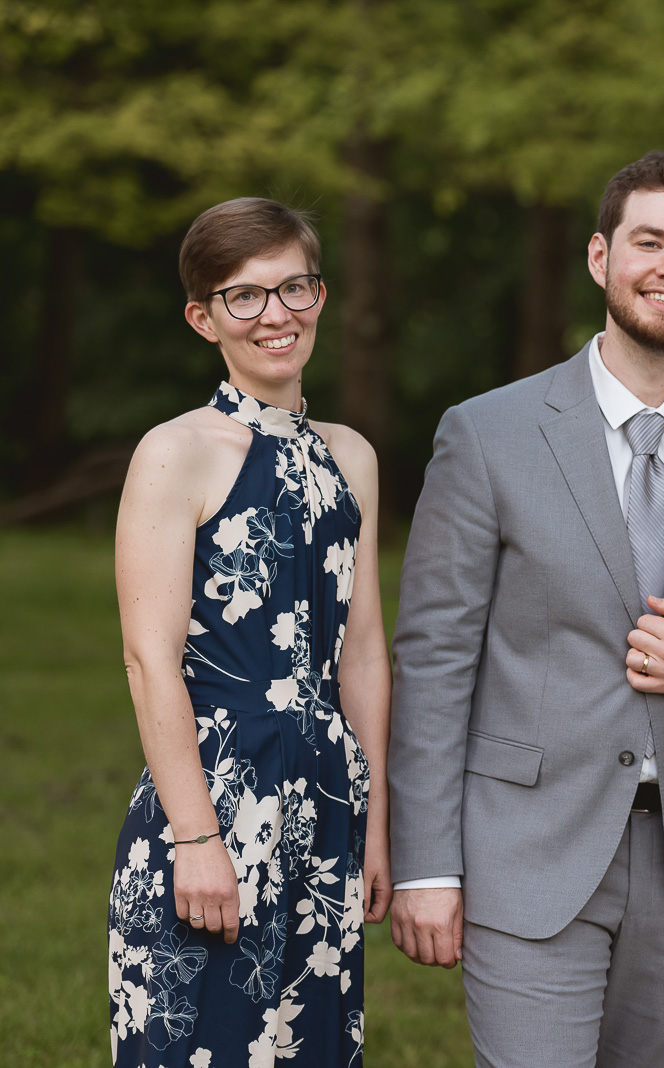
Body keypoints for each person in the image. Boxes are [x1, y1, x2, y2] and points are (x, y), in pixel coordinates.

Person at [386, 149, 664, 1068]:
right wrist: (425, 865)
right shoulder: (487, 434)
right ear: (599, 256)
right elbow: (435, 660)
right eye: (649, 242)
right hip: (527, 849)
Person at [108, 197, 391, 1067]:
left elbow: (363, 652)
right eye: (245, 296)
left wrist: (375, 822)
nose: (276, 314)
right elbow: (149, 660)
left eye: (294, 287)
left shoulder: (352, 456)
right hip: (214, 796)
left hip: (327, 800)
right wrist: (196, 840)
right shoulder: (176, 451)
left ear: (320, 295)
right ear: (204, 318)